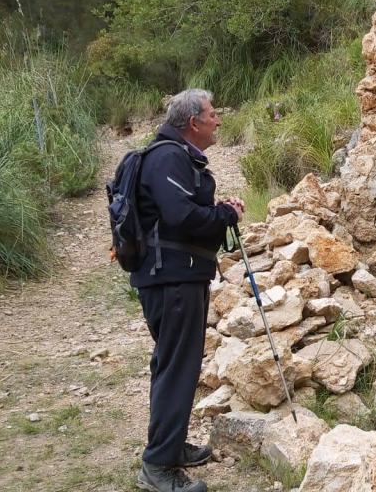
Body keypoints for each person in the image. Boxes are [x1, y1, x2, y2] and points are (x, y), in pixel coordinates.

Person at [131, 89, 244, 492]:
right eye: (213, 114)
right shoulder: (167, 157)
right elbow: (180, 216)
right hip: (171, 280)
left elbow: (182, 211)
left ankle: (171, 446)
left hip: (179, 277)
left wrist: (219, 212)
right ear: (193, 122)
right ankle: (158, 467)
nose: (218, 120)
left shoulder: (176, 156)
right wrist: (224, 214)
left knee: (176, 366)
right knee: (177, 369)